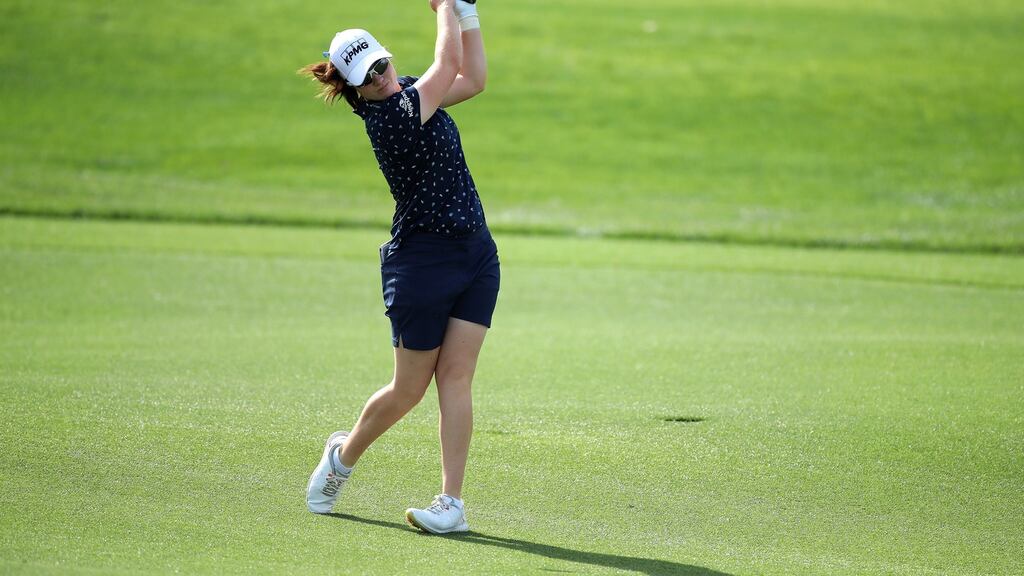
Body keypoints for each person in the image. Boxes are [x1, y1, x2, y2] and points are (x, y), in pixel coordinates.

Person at [298, 0, 497, 535]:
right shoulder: (390, 116)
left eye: (383, 66)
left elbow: (473, 78)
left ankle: (451, 505)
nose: (383, 79)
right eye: (370, 77)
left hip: (476, 253)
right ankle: (342, 457)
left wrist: (467, 10)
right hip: (422, 265)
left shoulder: (408, 91)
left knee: (456, 377)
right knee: (409, 389)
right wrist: (444, 7)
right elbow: (449, 63)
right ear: (356, 91)